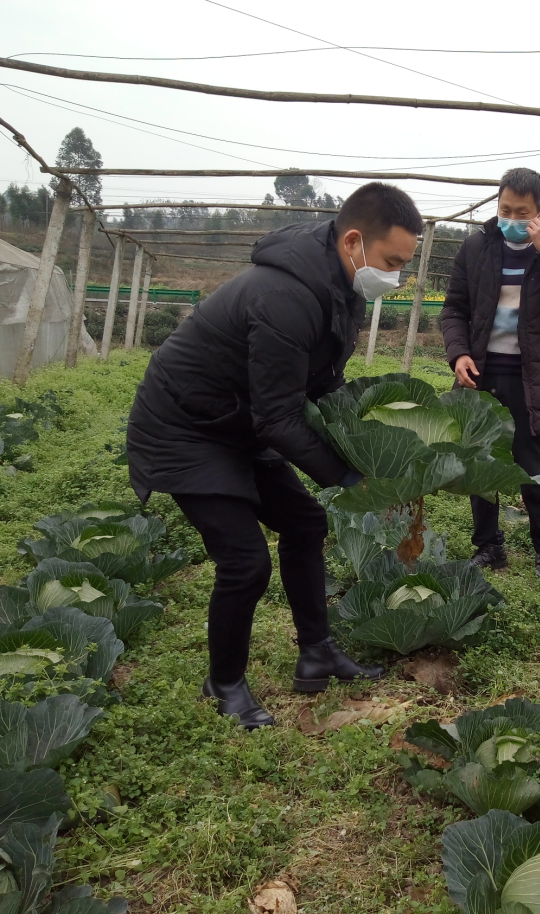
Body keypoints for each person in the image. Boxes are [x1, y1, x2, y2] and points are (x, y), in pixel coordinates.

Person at [126, 183, 422, 729]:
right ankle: (224, 683)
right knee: (244, 562)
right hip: (185, 426)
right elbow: (280, 419)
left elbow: (317, 390)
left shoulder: (340, 285)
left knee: (305, 524)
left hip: (238, 420)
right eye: (392, 261)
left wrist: (376, 443)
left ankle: (317, 653)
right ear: (353, 241)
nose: (395, 276)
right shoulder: (283, 295)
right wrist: (349, 477)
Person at [440, 167, 540, 582]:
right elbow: (454, 309)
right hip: (480, 372)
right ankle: (489, 546)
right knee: (478, 459)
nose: (511, 218)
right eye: (505, 209)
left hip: (529, 375)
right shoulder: (476, 248)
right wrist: (459, 354)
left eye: (522, 212)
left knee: (533, 464)